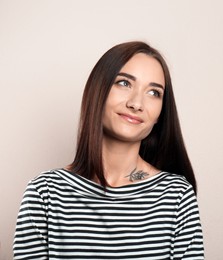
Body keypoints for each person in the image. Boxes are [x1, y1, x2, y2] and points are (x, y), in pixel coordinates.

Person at [13, 41, 204, 259]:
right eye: (124, 83)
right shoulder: (44, 193)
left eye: (153, 92)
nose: (136, 103)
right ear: (98, 91)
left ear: (160, 113)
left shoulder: (176, 196)